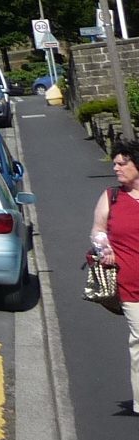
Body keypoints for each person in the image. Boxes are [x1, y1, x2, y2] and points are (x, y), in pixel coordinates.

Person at [90, 141, 139, 414]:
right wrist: (103, 248)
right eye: (115, 163)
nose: (116, 167)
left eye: (122, 163)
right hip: (130, 284)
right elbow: (98, 230)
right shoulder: (112, 196)